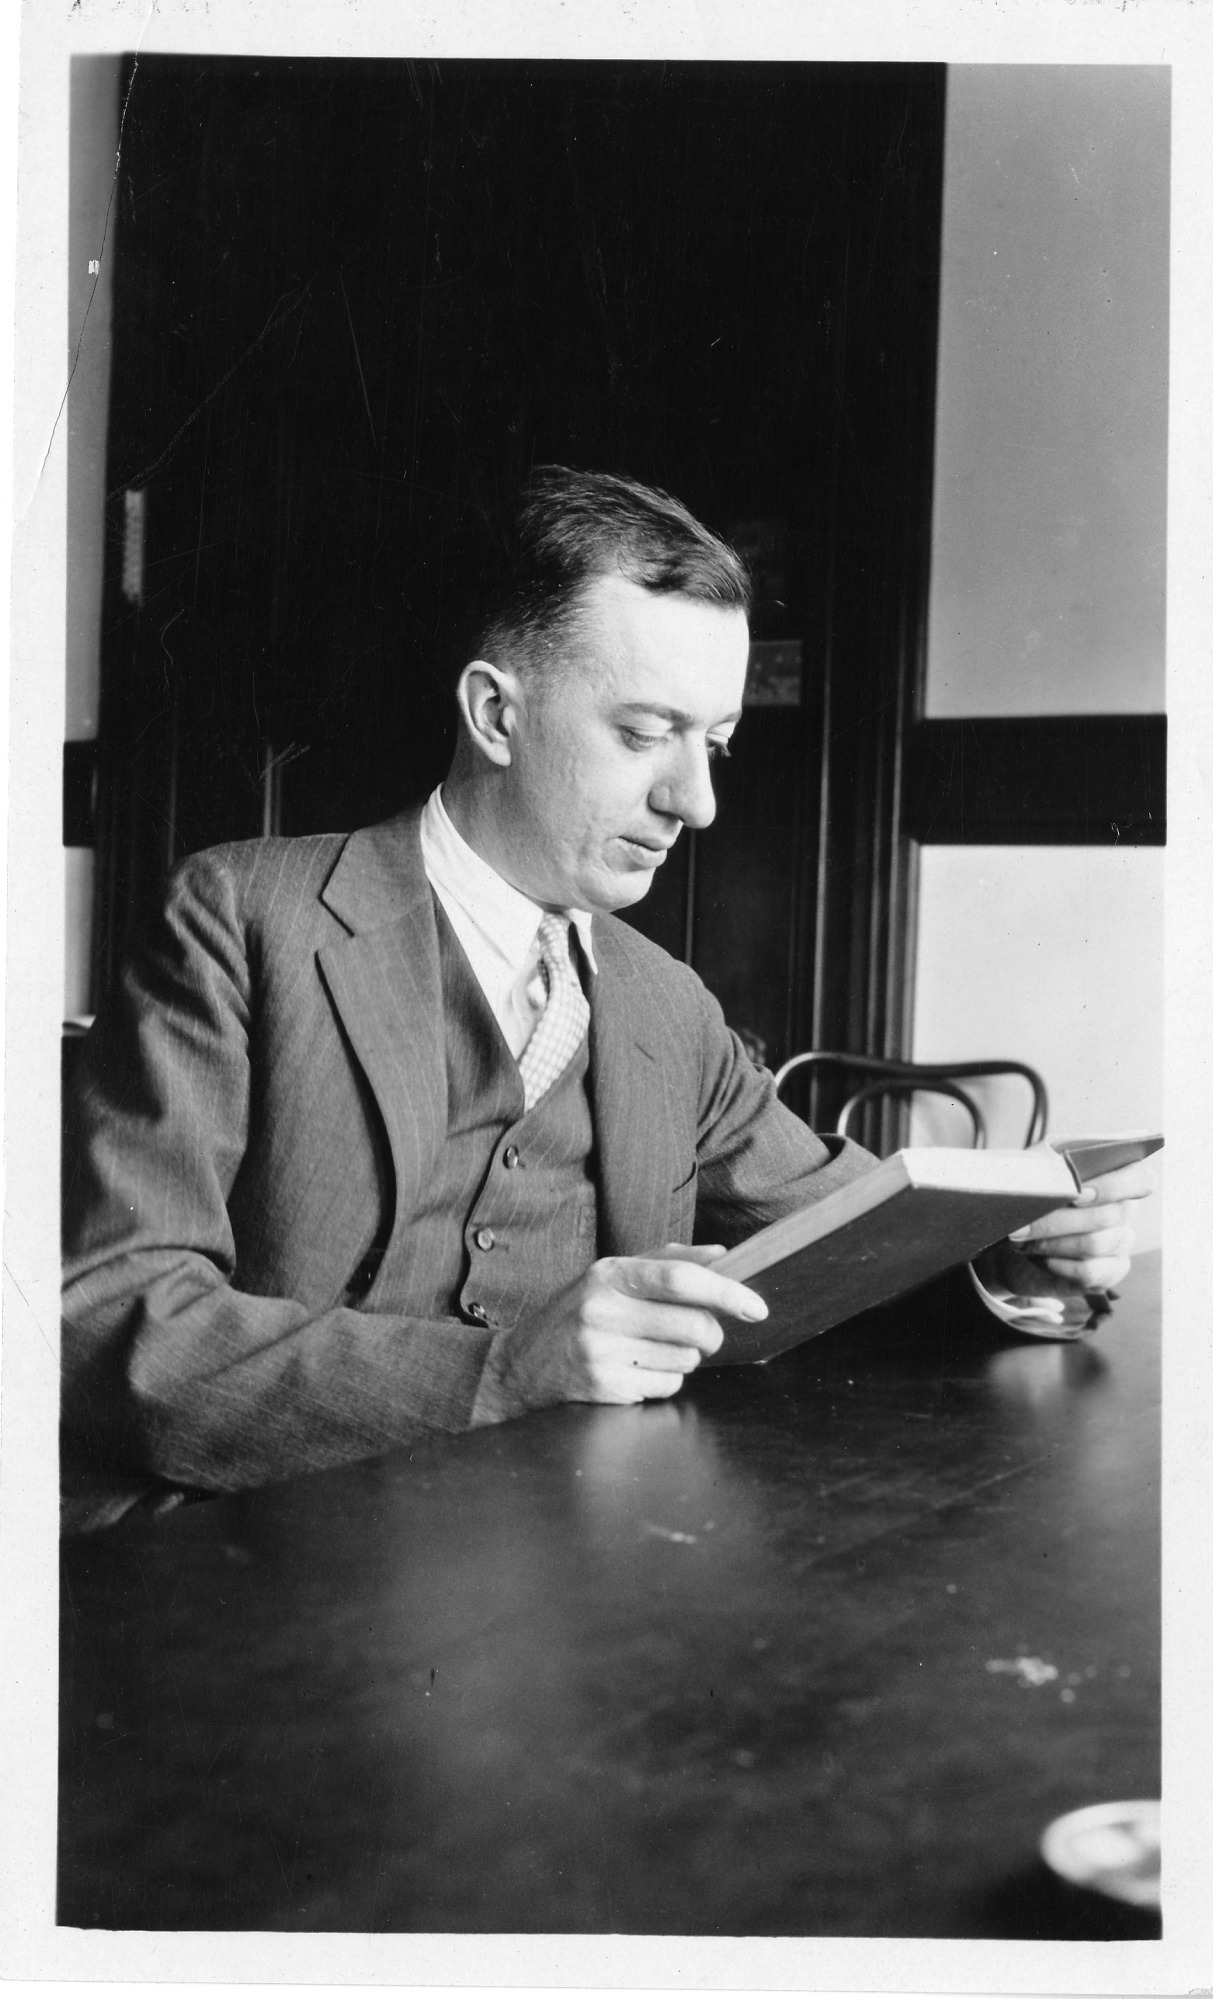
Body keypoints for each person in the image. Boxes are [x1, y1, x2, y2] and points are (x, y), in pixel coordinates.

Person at [62, 468, 1151, 1526]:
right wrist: (499, 1371)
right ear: (494, 714)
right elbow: (115, 1320)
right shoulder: (243, 917)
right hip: (244, 1549)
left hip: (566, 1555)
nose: (697, 800)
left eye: (714, 744)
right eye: (643, 735)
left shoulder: (666, 1007)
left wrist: (1011, 1249)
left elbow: (857, 1234)